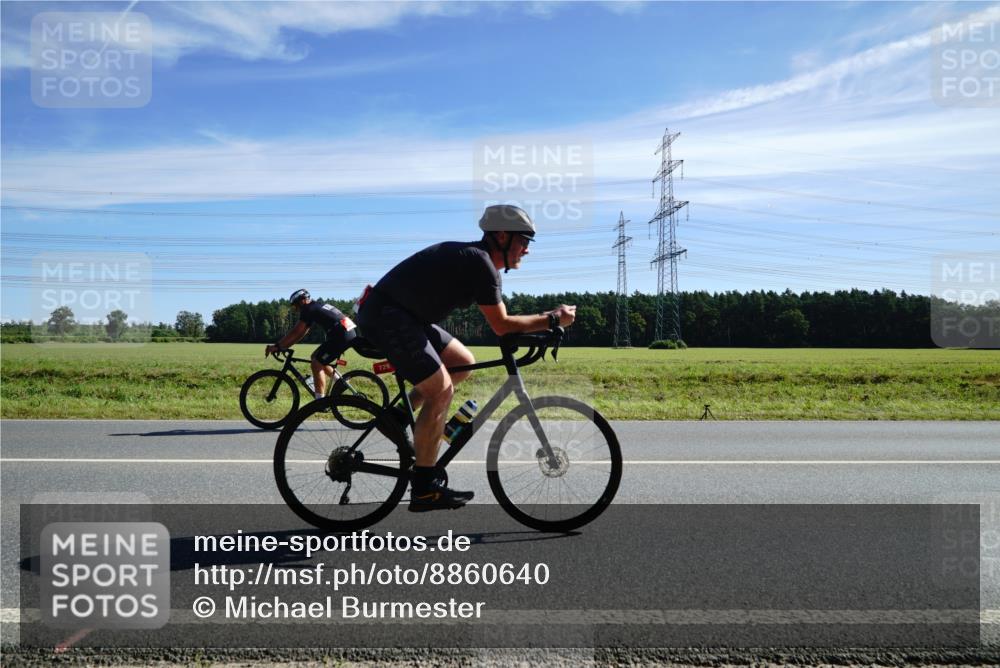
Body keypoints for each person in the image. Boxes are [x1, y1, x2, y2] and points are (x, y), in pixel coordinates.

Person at [356, 204, 576, 512]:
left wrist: (542, 325)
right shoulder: (480, 262)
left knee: (462, 361)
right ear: (501, 235)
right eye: (524, 240)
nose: (526, 250)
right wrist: (552, 318)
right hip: (389, 316)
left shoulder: (480, 262)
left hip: (405, 316)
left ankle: (397, 419)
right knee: (441, 390)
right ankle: (423, 488)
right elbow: (502, 324)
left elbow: (503, 326)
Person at [265, 290, 358, 400]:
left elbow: (296, 331)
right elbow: (301, 333)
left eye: (296, 305)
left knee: (316, 363)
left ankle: (320, 400)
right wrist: (283, 346)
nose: (296, 309)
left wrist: (278, 346)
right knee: (315, 357)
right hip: (344, 332)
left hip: (341, 334)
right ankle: (340, 382)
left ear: (302, 300)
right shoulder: (314, 306)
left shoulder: (308, 308)